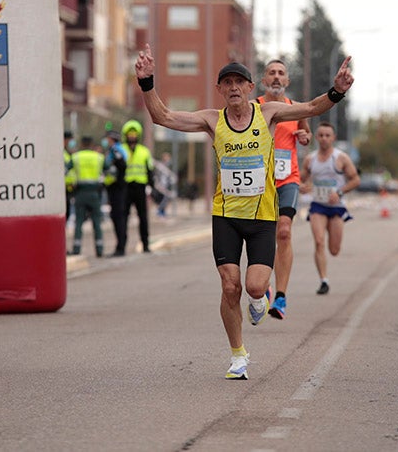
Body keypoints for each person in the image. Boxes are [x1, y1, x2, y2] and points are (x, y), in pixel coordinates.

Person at [134, 43, 353, 380]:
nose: (234, 88)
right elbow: (162, 116)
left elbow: (311, 107)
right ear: (220, 89)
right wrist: (147, 82)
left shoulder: (268, 113)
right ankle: (238, 355)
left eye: (240, 82)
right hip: (226, 215)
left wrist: (336, 91)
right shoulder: (212, 120)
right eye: (228, 83)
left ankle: (261, 300)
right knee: (229, 285)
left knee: (253, 288)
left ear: (252, 88)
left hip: (263, 215)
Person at [256, 59, 311, 320]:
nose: (276, 77)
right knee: (261, 234)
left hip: (288, 178)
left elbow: (306, 133)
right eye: (271, 73)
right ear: (264, 80)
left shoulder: (296, 109)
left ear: (287, 81)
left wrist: (304, 137)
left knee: (285, 231)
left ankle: (280, 296)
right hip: (260, 182)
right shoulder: (254, 107)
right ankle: (262, 284)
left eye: (281, 73)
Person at [300, 121, 360, 295]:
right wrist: (301, 185)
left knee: (334, 250)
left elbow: (355, 180)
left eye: (328, 135)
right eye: (321, 135)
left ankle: (326, 270)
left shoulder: (341, 158)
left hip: (336, 207)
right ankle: (323, 280)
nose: (324, 139)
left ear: (333, 138)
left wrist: (339, 193)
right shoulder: (310, 159)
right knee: (319, 242)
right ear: (316, 137)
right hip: (318, 205)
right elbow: (301, 178)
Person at [66, 135, 106, 257]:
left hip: (80, 193)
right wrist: (103, 184)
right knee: (96, 223)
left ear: (82, 144)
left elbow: (65, 171)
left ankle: (77, 248)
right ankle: (99, 249)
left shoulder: (75, 157)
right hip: (94, 194)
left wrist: (70, 185)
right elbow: (110, 171)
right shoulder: (99, 157)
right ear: (91, 144)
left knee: (78, 222)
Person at [120, 119, 154, 253]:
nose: (132, 137)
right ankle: (121, 246)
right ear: (126, 135)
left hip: (140, 187)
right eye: (130, 134)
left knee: (143, 217)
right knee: (124, 217)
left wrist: (151, 186)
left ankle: (145, 245)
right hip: (126, 187)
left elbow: (150, 170)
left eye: (134, 134)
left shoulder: (144, 151)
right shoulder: (121, 149)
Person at [103, 129, 128, 256]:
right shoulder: (117, 149)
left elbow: (121, 166)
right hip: (116, 187)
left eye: (107, 138)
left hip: (117, 188)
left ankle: (120, 247)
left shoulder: (116, 150)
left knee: (118, 217)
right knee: (118, 217)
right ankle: (120, 246)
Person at [153, 152, 178, 217]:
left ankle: (162, 211)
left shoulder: (169, 167)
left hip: (167, 185)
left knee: (167, 198)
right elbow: (157, 175)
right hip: (160, 186)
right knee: (161, 198)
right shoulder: (160, 166)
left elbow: (172, 176)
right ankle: (160, 211)